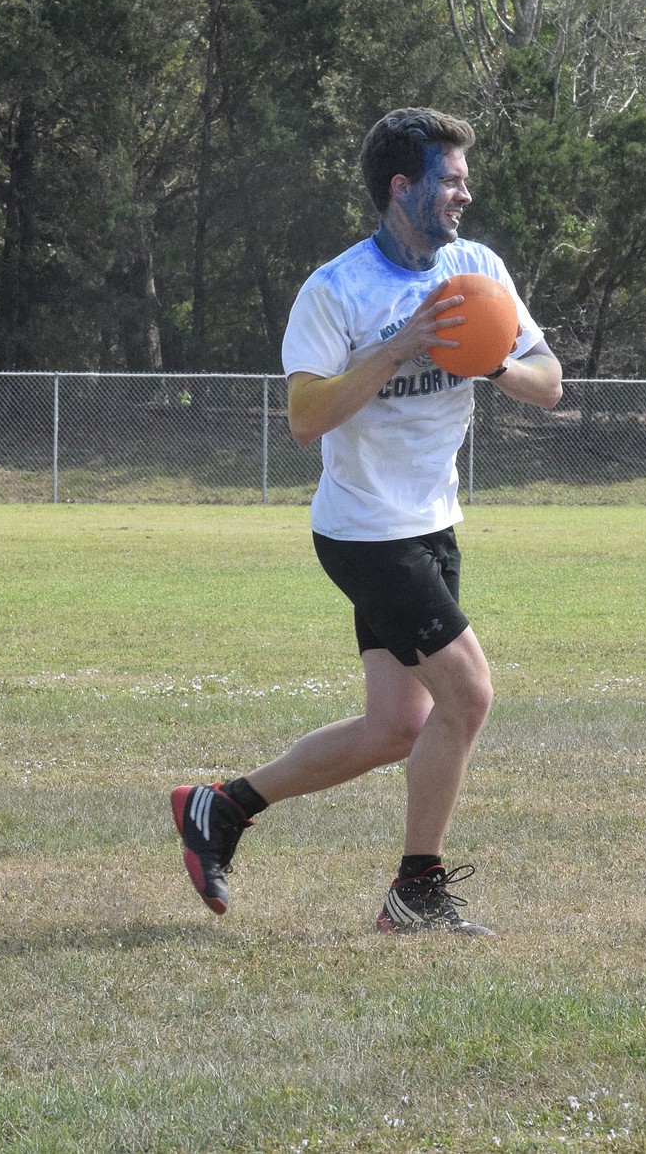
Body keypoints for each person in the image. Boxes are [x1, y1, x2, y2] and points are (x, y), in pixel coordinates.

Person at [171, 108, 563, 935]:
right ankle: (415, 892)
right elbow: (306, 416)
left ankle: (222, 808)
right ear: (402, 186)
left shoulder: (478, 271)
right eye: (450, 178)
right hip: (363, 531)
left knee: (398, 725)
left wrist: (490, 359)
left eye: (462, 177)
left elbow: (548, 378)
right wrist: (398, 346)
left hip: (432, 524)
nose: (465, 191)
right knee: (470, 693)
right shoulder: (337, 289)